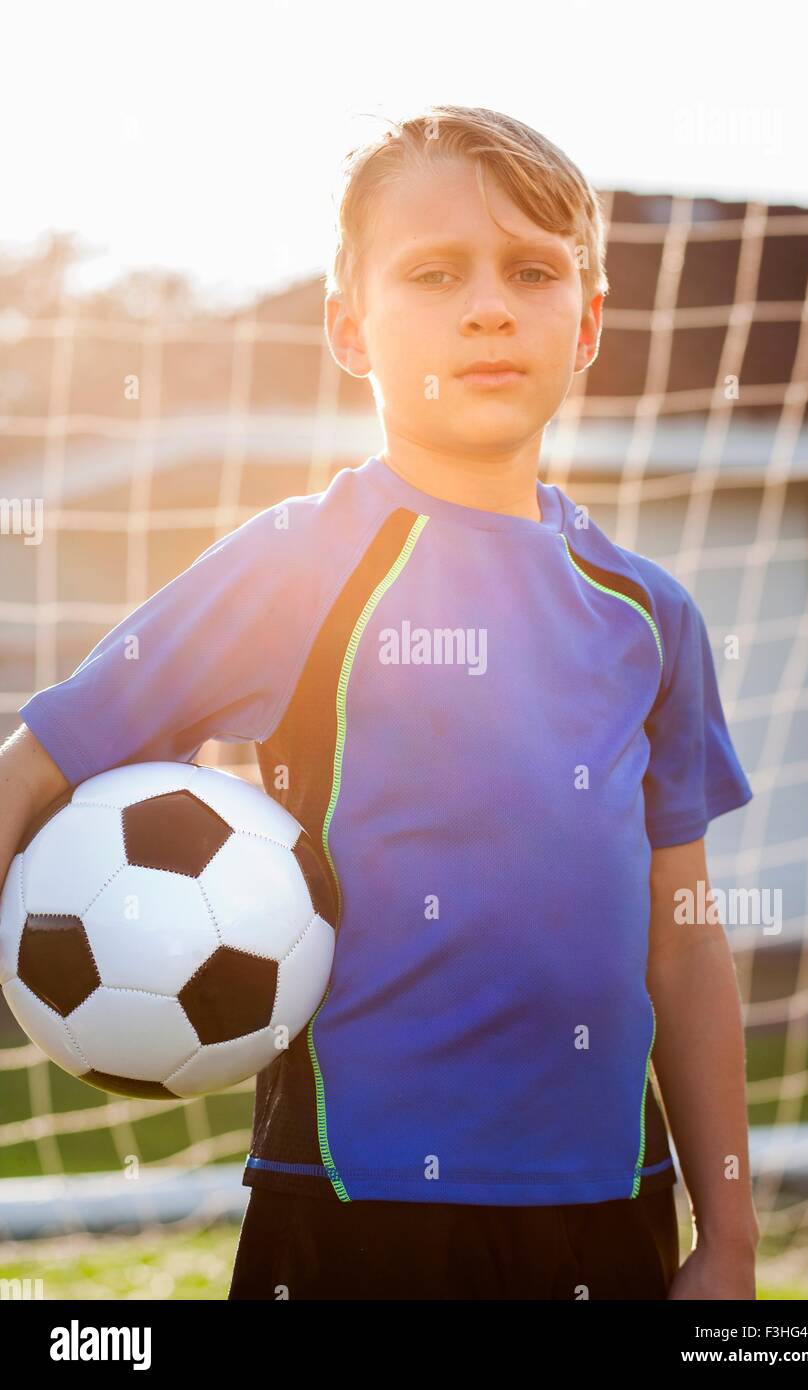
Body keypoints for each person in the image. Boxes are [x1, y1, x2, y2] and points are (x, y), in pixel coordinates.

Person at [7, 104, 760, 1300]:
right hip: (352, 1207)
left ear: (588, 323)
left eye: (531, 271)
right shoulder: (293, 564)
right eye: (433, 272)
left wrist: (728, 1241)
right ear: (349, 329)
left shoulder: (646, 611)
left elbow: (682, 934)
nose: (487, 306)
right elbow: (39, 764)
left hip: (610, 1201)